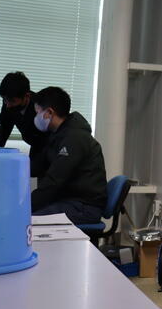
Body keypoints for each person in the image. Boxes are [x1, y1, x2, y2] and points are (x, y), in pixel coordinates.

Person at [30, 86, 107, 225]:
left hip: (84, 207)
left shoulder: (74, 138)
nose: (36, 118)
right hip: (70, 200)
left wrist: (25, 206)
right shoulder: (58, 134)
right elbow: (39, 166)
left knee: (28, 219)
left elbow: (54, 181)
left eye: (38, 113)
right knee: (28, 213)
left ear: (49, 112)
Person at [0, 71, 48, 159]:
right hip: (35, 143)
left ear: (27, 96)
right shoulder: (9, 102)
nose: (8, 105)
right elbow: (3, 130)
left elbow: (47, 140)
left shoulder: (41, 107)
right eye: (5, 100)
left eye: (12, 101)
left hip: (47, 146)